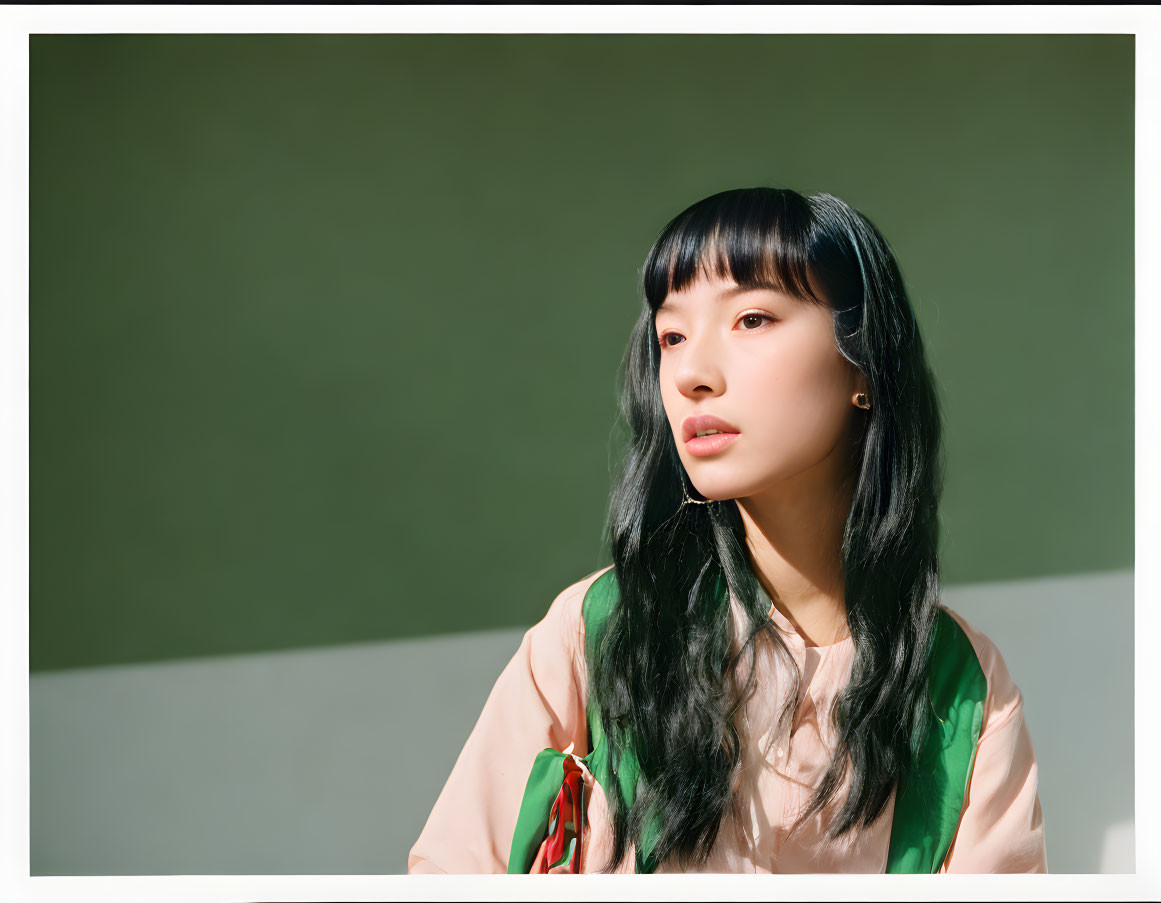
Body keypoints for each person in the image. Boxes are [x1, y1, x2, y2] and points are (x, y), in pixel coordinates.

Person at [407, 187, 1047, 874]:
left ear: (861, 362)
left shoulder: (959, 689)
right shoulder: (596, 633)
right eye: (671, 336)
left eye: (749, 318)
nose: (690, 374)